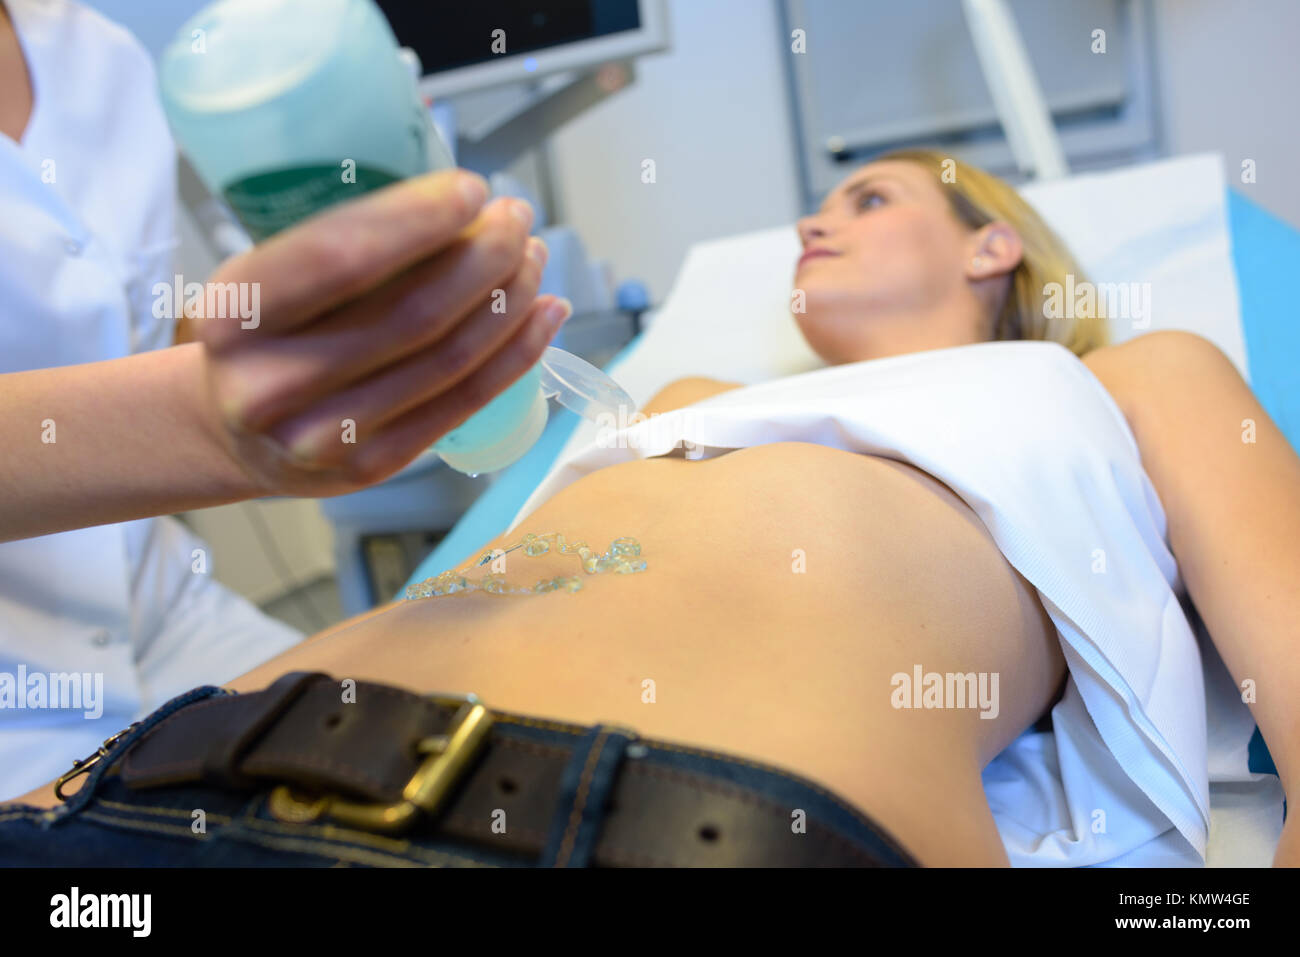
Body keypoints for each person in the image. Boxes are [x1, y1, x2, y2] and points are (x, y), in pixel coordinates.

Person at [4, 149, 1297, 867]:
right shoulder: (684, 389)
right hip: (131, 796)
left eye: (871, 194)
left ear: (992, 245)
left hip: (666, 819)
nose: (811, 217)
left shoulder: (1127, 379)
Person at [0, 0, 568, 801]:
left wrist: (313, 333)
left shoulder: (102, 56)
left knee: (493, 770)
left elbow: (125, 340)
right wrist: (204, 423)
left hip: (172, 622)